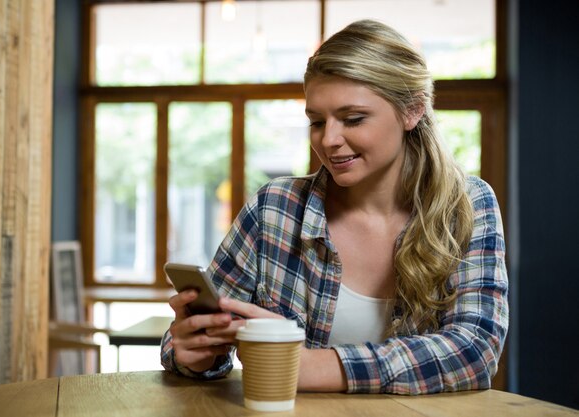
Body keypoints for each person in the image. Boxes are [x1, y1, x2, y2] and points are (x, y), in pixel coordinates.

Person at [161, 19, 508, 394]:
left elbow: (475, 350)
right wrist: (192, 355)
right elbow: (184, 344)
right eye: (316, 121)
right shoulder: (273, 209)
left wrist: (315, 366)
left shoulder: (468, 205)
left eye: (353, 119)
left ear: (412, 111)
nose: (328, 140)